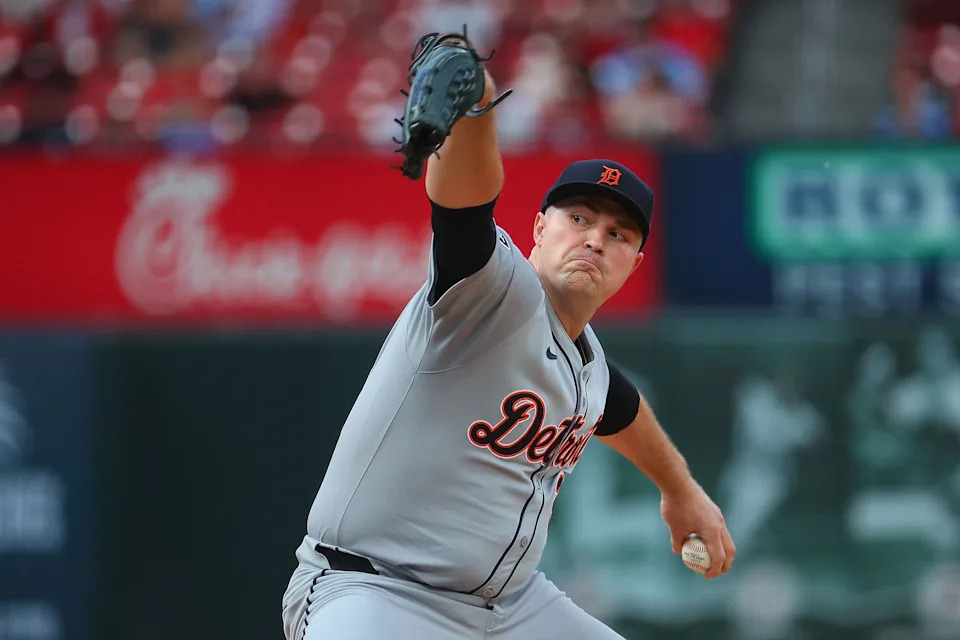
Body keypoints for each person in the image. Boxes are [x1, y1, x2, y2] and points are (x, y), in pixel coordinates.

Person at [281, 64, 735, 640]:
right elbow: (465, 205)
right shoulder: (490, 289)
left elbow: (618, 407)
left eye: (619, 234)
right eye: (579, 218)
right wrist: (475, 96)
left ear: (633, 264)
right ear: (539, 228)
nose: (595, 238)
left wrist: (681, 490)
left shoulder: (588, 364)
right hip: (375, 592)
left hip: (509, 609)